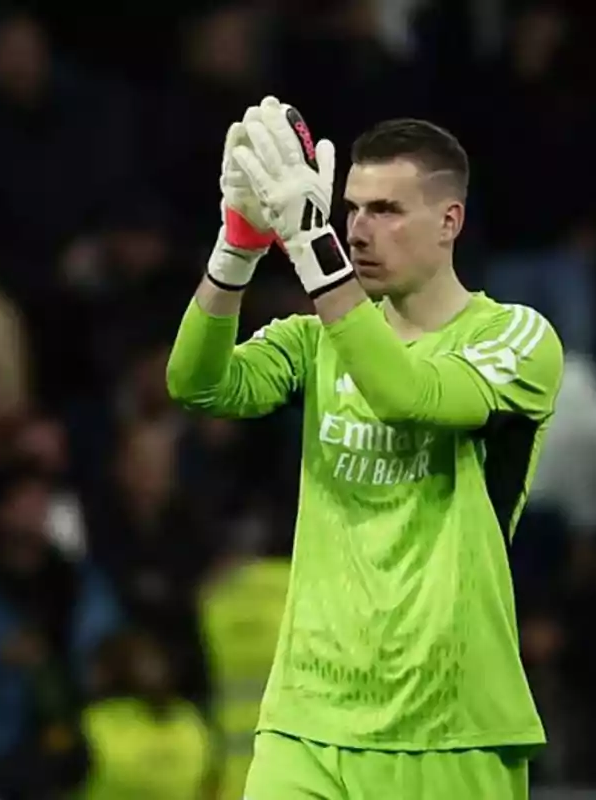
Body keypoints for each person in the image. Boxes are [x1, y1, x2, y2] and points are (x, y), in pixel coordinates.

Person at [165, 96, 564, 799]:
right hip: (307, 720)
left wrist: (316, 254)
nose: (357, 230)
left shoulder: (517, 339)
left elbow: (410, 395)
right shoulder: (316, 340)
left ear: (450, 221)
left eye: (386, 210)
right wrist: (238, 246)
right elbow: (197, 385)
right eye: (350, 209)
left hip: (450, 725)